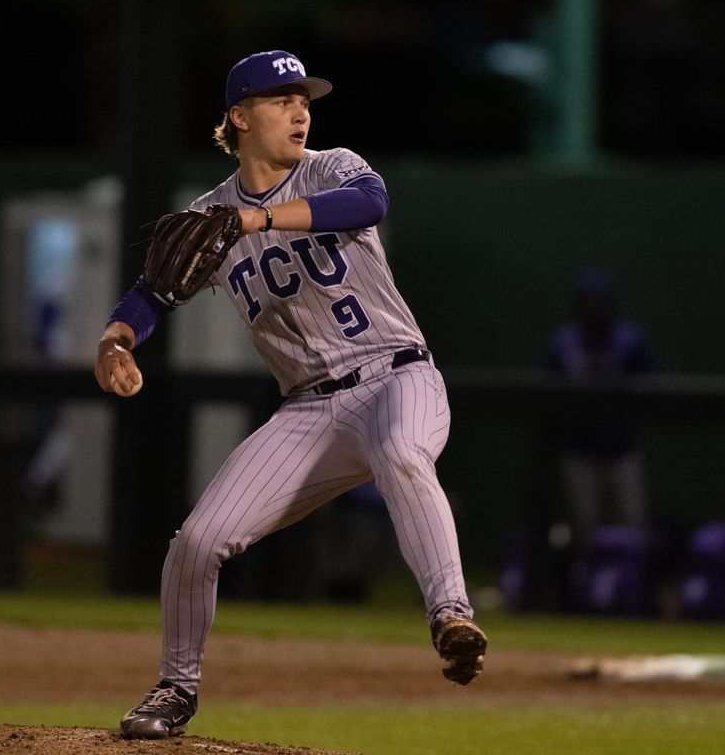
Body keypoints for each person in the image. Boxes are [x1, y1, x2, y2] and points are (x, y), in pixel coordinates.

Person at [94, 50, 486, 740]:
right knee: (197, 542)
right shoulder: (209, 214)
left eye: (303, 98)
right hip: (308, 408)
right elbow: (154, 291)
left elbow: (372, 202)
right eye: (279, 100)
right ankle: (174, 690)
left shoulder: (332, 167)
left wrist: (260, 222)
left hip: (399, 376)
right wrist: (117, 340)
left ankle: (451, 617)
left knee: (401, 454)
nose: (299, 110)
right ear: (239, 117)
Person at [545, 267, 658, 545]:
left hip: (622, 449)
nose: (594, 309)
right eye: (588, 302)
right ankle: (588, 584)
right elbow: (545, 394)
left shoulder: (630, 341)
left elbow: (654, 386)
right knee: (585, 528)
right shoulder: (563, 343)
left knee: (633, 525)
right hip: (579, 450)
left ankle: (634, 582)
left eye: (600, 302)